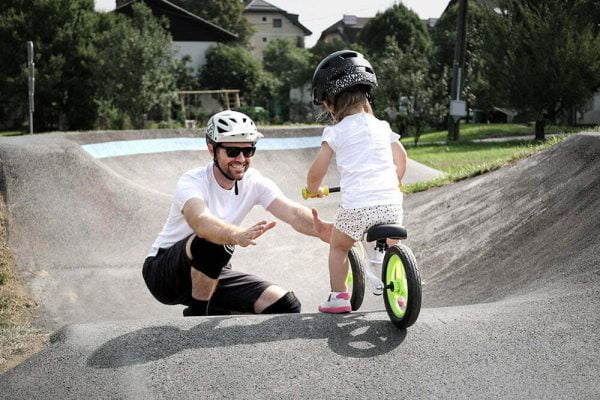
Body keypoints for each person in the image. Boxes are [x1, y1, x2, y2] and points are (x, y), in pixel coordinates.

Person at [143, 110, 332, 316]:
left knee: (284, 304)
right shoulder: (193, 181)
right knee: (212, 243)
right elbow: (200, 222)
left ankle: (212, 309)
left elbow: (293, 213)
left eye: (249, 150)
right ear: (212, 149)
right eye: (232, 151)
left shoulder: (254, 181)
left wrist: (324, 229)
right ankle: (197, 321)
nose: (241, 159)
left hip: (212, 273)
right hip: (165, 273)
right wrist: (236, 235)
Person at [306, 49, 408, 314]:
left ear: (329, 104)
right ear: (367, 94)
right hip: (391, 204)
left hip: (357, 208)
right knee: (390, 240)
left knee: (339, 246)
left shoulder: (335, 131)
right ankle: (393, 272)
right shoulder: (383, 126)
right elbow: (402, 158)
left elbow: (317, 171)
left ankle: (339, 297)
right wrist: (395, 181)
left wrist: (313, 189)